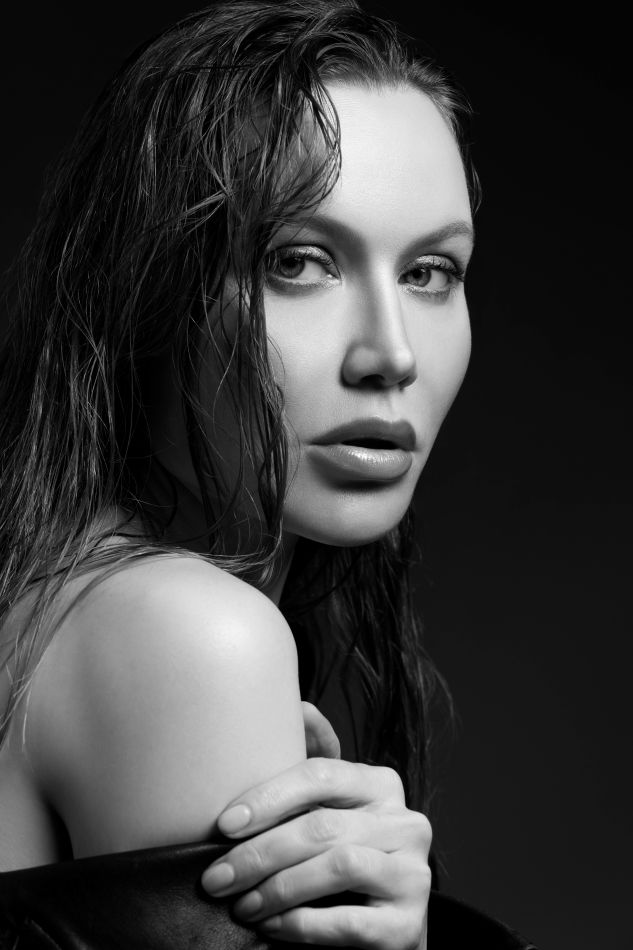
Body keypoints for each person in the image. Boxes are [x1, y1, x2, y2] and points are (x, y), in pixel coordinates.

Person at [0, 2, 534, 947]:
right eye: (299, 262)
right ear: (146, 289)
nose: (391, 353)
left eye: (429, 273)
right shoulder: (189, 632)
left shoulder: (56, 597)